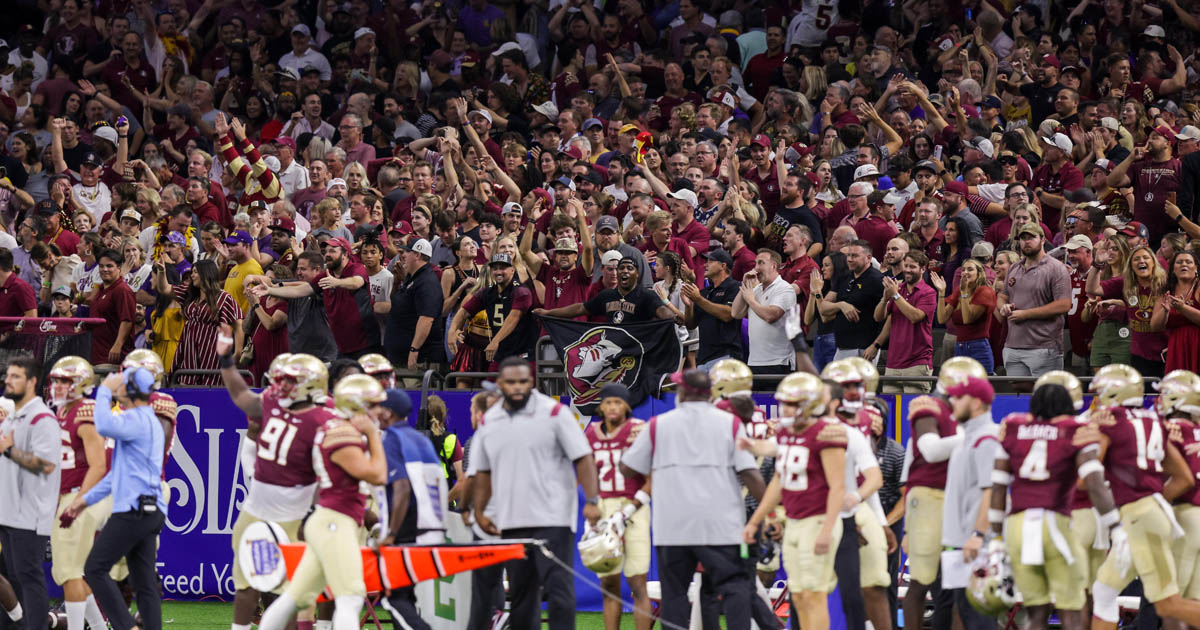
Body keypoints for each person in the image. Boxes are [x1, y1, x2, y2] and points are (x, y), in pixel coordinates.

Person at [621, 369, 765, 630]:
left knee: (674, 595)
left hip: (673, 528)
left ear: (683, 393)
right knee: (735, 587)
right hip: (721, 526)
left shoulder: (658, 425)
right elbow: (751, 474)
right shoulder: (730, 423)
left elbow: (628, 468)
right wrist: (768, 514)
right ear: (709, 394)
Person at [468, 357, 602, 630]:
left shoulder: (554, 413)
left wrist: (591, 500)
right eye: (511, 382)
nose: (517, 387)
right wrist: (479, 511)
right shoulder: (489, 422)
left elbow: (584, 458)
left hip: (553, 518)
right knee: (521, 594)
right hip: (510, 520)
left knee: (559, 591)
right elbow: (482, 472)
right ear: (499, 384)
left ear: (532, 382)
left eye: (523, 382)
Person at [217, 336, 334, 630]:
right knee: (247, 587)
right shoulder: (272, 401)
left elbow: (326, 477)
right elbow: (242, 397)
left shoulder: (323, 418)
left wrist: (314, 514)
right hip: (256, 510)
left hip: (293, 518)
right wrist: (226, 362)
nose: (281, 386)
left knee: (290, 596)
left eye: (290, 381)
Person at [985, 378, 1121, 630]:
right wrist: (1116, 526)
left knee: (1036, 612)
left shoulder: (1013, 426)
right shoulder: (1075, 430)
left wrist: (995, 536)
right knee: (1072, 607)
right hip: (1055, 523)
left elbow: (998, 486)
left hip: (1017, 525)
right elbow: (1094, 482)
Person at [256, 374, 388, 630]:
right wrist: (372, 435)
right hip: (335, 522)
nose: (378, 411)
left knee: (294, 598)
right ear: (356, 406)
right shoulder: (343, 433)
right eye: (372, 405)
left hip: (331, 519)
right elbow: (378, 474)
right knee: (349, 598)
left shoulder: (335, 428)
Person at [1088, 364, 1200, 630]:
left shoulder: (1168, 428)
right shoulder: (1167, 425)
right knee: (1180, 602)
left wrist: (1150, 501)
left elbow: (1091, 473)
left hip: (1174, 516)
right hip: (1172, 515)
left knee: (1169, 604)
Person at [61, 367, 164, 630]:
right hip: (149, 511)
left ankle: (125, 627)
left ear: (131, 390)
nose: (117, 388)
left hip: (133, 511)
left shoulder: (136, 420)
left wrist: (104, 389)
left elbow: (104, 423)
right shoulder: (145, 419)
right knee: (144, 584)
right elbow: (115, 475)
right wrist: (84, 501)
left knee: (95, 568)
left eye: (122, 385)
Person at [741, 371, 844, 630]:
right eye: (784, 402)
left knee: (814, 595)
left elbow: (838, 487)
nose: (785, 408)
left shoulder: (827, 433)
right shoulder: (787, 434)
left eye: (791, 403)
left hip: (818, 520)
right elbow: (778, 481)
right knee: (798, 595)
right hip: (795, 522)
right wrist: (755, 520)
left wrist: (827, 529)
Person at [47, 357, 110, 630]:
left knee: (70, 573)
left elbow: (99, 465)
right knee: (73, 574)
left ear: (81, 383)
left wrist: (78, 502)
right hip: (66, 495)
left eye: (65, 381)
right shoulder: (63, 412)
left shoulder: (85, 412)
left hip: (77, 496)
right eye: (56, 380)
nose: (58, 386)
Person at [376, 388, 446, 630]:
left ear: (388, 412)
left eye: (378, 408)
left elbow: (402, 488)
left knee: (393, 599)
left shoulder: (391, 439)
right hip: (431, 525)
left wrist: (392, 534)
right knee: (406, 596)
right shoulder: (420, 439)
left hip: (406, 526)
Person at [584, 384, 652, 630]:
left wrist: (630, 509)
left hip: (634, 506)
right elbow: (587, 471)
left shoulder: (639, 431)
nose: (613, 407)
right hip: (603, 507)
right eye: (609, 402)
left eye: (618, 402)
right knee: (609, 585)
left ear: (627, 406)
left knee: (637, 583)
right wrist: (592, 502)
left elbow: (652, 478)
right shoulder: (591, 433)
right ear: (601, 406)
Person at [0, 356, 59, 630]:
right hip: (10, 512)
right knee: (16, 576)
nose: (8, 381)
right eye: (8, 376)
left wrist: (11, 451)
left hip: (30, 515)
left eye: (16, 376)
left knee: (30, 578)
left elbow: (47, 465)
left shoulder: (42, 418)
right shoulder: (14, 415)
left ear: (33, 382)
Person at [940, 372, 1000, 630]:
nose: (952, 402)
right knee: (966, 616)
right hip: (960, 544)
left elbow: (993, 490)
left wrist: (978, 533)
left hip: (977, 547)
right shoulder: (968, 438)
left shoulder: (987, 439)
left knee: (980, 620)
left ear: (976, 403)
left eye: (958, 397)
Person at [996, 224, 1073, 380]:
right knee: (1019, 393)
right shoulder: (1014, 268)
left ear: (1043, 239)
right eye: (1023, 238)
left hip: (1044, 346)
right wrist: (1003, 307)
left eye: (1031, 237)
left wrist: (1026, 314)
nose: (1026, 242)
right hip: (1013, 345)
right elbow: (1003, 296)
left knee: (1046, 394)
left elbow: (1064, 304)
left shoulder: (1056, 268)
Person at [158, 259, 244, 386]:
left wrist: (237, 353)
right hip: (188, 350)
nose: (192, 276)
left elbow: (238, 326)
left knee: (210, 389)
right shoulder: (190, 294)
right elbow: (164, 288)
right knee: (185, 386)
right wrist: (161, 271)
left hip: (211, 352)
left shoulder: (224, 298)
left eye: (195, 272)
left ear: (206, 274)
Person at [449, 253, 538, 368]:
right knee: (491, 383)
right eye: (495, 268)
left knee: (519, 384)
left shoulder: (521, 291)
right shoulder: (488, 292)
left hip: (524, 355)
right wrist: (452, 331)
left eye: (503, 268)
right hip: (501, 354)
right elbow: (464, 311)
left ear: (512, 270)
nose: (498, 272)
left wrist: (495, 341)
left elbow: (513, 318)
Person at [873, 250, 936, 393]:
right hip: (893, 362)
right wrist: (884, 299)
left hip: (917, 363)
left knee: (914, 410)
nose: (907, 270)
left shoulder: (928, 292)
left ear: (923, 269)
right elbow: (878, 318)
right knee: (892, 412)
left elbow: (915, 317)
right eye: (906, 266)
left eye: (912, 267)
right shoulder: (898, 289)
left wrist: (895, 295)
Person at [733, 249, 797, 386]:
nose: (756, 268)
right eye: (755, 263)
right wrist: (745, 284)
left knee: (776, 405)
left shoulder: (785, 288)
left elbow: (771, 315)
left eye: (761, 263)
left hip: (778, 362)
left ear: (774, 266)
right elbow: (736, 313)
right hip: (754, 361)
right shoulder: (755, 290)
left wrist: (751, 300)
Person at [384, 238, 445, 376]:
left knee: (416, 395)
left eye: (406, 252)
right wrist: (397, 282)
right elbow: (397, 306)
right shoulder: (412, 278)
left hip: (417, 359)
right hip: (400, 357)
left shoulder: (427, 282)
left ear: (417, 255)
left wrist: (414, 350)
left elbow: (426, 319)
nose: (402, 256)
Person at [820, 240, 885, 363]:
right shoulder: (844, 277)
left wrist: (876, 345)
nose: (849, 259)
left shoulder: (877, 280)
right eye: (848, 255)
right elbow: (823, 307)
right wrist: (841, 305)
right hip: (842, 346)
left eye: (854, 256)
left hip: (864, 349)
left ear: (868, 258)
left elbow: (888, 317)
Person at [932, 260, 997, 373]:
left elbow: (967, 319)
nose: (965, 272)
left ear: (979, 273)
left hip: (978, 348)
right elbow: (942, 318)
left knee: (979, 389)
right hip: (959, 347)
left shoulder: (985, 292)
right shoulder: (960, 291)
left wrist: (964, 293)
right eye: (963, 270)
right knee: (961, 389)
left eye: (970, 269)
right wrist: (941, 293)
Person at [1152, 251, 1200, 373]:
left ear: (1196, 268)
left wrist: (1183, 308)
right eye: (1179, 262)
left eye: (1188, 262)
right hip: (1177, 347)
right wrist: (1165, 311)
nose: (1184, 264)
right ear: (1173, 270)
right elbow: (1155, 326)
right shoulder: (1166, 291)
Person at [88, 248, 136, 365]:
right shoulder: (100, 290)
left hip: (114, 358)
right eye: (101, 266)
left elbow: (127, 320)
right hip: (98, 355)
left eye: (109, 266)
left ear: (119, 268)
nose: (105, 269)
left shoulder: (122, 290)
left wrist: (117, 345)